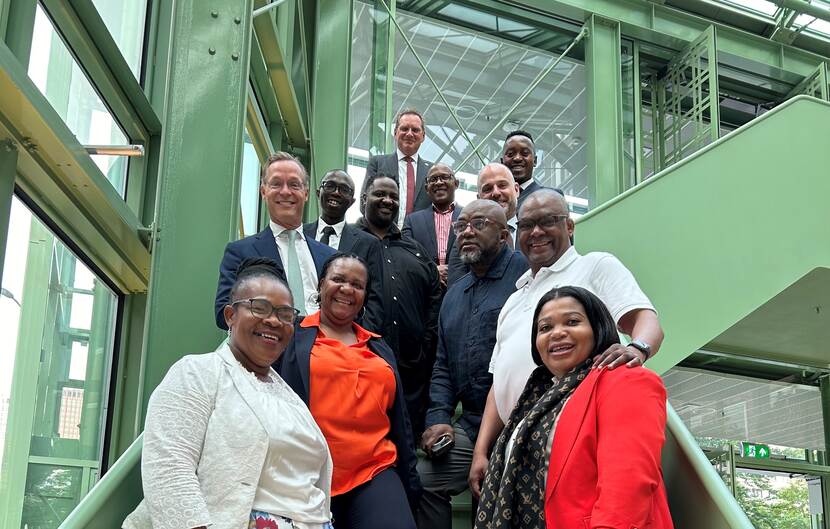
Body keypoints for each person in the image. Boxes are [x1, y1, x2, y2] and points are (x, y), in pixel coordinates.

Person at [469, 189, 664, 498]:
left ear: (569, 227)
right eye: (526, 225)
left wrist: (637, 348)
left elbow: (646, 320)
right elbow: (500, 380)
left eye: (547, 221)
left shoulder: (595, 265)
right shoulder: (513, 298)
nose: (536, 232)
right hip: (517, 443)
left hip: (573, 442)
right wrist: (482, 450)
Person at [123, 258, 333, 529]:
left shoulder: (289, 398)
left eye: (284, 314)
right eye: (260, 308)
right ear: (230, 316)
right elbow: (169, 468)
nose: (273, 321)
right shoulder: (197, 373)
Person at [475, 286, 672, 529]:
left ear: (597, 328)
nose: (557, 333)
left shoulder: (626, 381)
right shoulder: (535, 401)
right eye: (545, 328)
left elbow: (626, 489)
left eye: (572, 321)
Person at [277, 253, 421, 529]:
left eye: (357, 285)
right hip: (304, 472)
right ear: (320, 286)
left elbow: (399, 421)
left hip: (374, 469)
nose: (347, 289)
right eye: (338, 279)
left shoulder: (379, 347)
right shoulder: (291, 336)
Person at [417, 200, 528, 529]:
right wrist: (439, 417)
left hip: (521, 422)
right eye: (460, 226)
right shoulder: (455, 294)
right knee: (424, 479)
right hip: (473, 421)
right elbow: (442, 365)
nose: (466, 231)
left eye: (478, 224)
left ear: (504, 235)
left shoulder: (527, 277)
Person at [356, 174, 442, 441]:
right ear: (363, 200)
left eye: (394, 196)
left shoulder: (415, 250)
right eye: (380, 194)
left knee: (406, 447)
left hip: (412, 376)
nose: (387, 200)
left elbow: (434, 297)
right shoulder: (350, 244)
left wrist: (425, 344)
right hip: (359, 370)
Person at [215, 152, 334, 329]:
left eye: (294, 184)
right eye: (276, 184)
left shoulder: (329, 257)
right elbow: (223, 312)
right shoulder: (240, 252)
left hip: (322, 349)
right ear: (263, 191)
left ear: (306, 193)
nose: (285, 192)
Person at [304, 168, 385, 332]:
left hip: (345, 335)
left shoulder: (368, 243)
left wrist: (357, 337)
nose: (336, 192)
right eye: (330, 186)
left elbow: (375, 300)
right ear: (318, 192)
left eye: (344, 189)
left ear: (352, 201)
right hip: (299, 331)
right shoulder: (299, 235)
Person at [446, 163, 519, 287]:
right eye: (487, 189)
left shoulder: (533, 230)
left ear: (516, 190)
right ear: (479, 198)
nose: (496, 193)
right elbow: (457, 288)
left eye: (502, 185)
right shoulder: (465, 239)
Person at [364, 109, 433, 224]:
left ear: (423, 136)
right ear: (395, 132)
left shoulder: (432, 172)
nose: (409, 134)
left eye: (415, 130)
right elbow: (365, 202)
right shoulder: (377, 163)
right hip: (382, 236)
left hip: (417, 239)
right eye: (404, 129)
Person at [402, 163, 464, 289]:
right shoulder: (412, 221)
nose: (439, 182)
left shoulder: (469, 216)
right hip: (423, 293)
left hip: (461, 291)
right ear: (426, 188)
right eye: (433, 179)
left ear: (456, 184)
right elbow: (405, 256)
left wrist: (452, 271)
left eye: (445, 177)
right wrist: (433, 271)